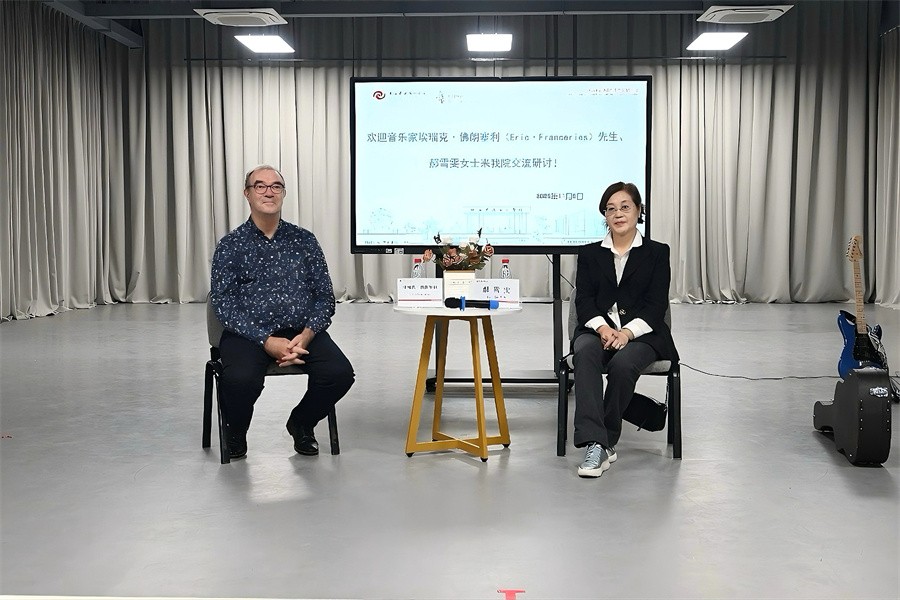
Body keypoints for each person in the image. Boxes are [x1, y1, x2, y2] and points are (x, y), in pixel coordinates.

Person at [210, 165, 354, 460]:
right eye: (260, 186)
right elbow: (223, 304)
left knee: (339, 374)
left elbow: (324, 296)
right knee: (240, 380)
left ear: (283, 193)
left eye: (276, 186)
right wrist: (266, 340)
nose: (268, 192)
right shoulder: (230, 245)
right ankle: (236, 431)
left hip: (300, 332)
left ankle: (302, 422)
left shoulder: (305, 241)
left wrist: (308, 333)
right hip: (247, 333)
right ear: (247, 194)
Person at [571, 182, 679, 478]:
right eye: (610, 209)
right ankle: (596, 443)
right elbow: (584, 300)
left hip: (643, 335)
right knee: (584, 353)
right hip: (597, 331)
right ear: (604, 216)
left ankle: (602, 442)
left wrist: (627, 333)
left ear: (639, 211)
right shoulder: (590, 254)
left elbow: (656, 305)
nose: (618, 214)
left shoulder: (657, 253)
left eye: (625, 207)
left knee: (623, 364)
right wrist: (603, 328)